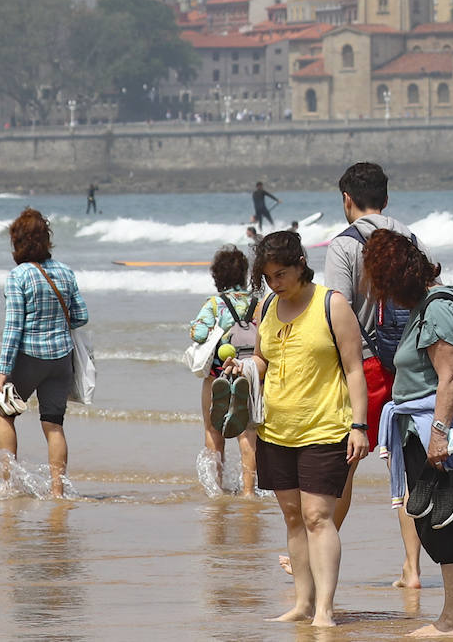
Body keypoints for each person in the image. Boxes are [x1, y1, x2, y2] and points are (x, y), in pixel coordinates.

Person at [222, 231, 368, 628]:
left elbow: (355, 369)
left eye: (281, 274)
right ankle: (303, 603)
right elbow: (265, 360)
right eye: (268, 276)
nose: (274, 283)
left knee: (319, 515)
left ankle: (325, 609)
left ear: (301, 263)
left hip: (326, 426)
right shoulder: (268, 305)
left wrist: (359, 426)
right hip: (276, 428)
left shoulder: (332, 305)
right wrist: (246, 367)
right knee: (292, 517)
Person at [322, 161, 433, 588]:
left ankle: (318, 547)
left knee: (343, 466)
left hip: (365, 366)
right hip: (410, 364)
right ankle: (412, 567)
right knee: (406, 466)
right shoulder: (411, 238)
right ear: (386, 200)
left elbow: (338, 310)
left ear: (347, 199)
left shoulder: (343, 245)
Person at [367, 229, 453, 637]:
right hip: (417, 426)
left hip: (434, 429)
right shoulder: (427, 306)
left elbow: (449, 378)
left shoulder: (436, 310)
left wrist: (437, 433)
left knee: (444, 524)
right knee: (431, 522)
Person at [0, 208, 90, 500]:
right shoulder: (64, 271)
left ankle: (9, 485)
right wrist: (56, 322)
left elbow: (13, 328)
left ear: (17, 243)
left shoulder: (18, 276)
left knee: (2, 413)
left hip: (31, 357)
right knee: (53, 424)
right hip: (61, 359)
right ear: (46, 240)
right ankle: (57, 490)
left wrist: (3, 370)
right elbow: (81, 315)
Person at [188, 245, 258, 496]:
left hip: (218, 372)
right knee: (248, 431)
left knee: (212, 429)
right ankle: (249, 490)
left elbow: (199, 333)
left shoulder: (215, 304)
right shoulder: (257, 303)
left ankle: (217, 488)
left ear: (217, 276)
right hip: (250, 371)